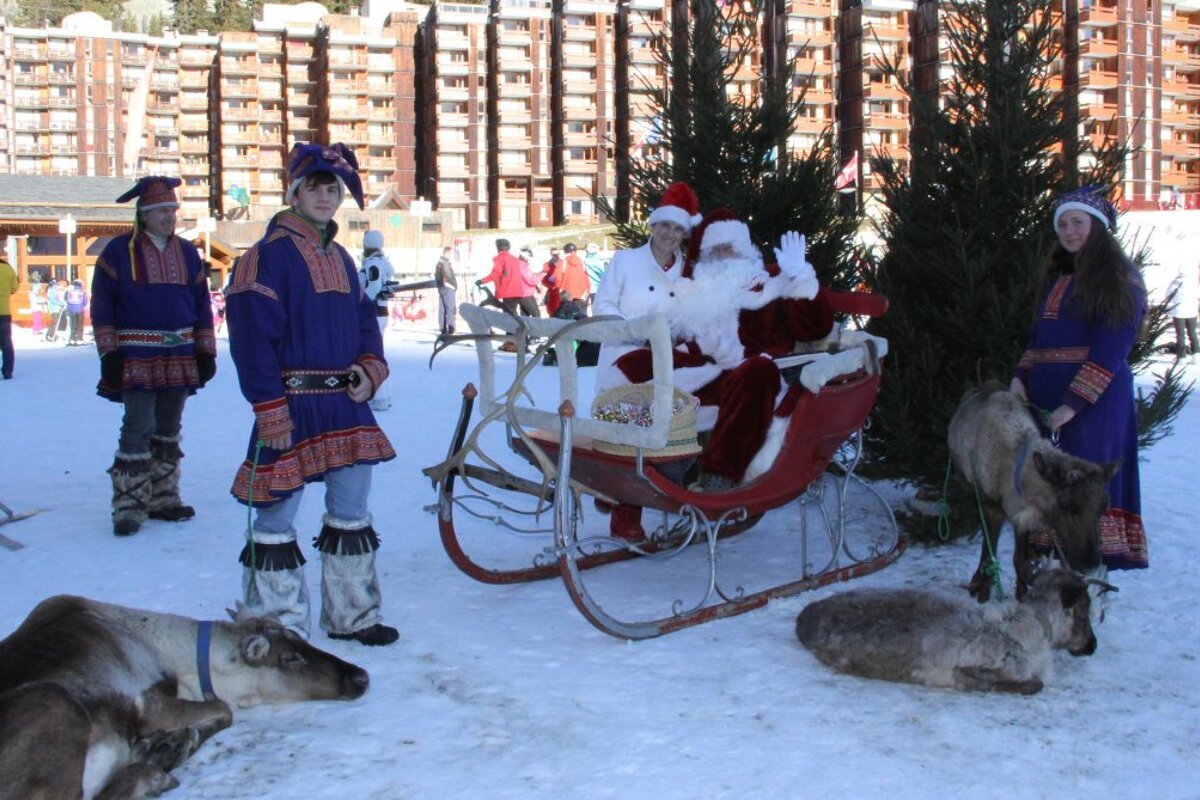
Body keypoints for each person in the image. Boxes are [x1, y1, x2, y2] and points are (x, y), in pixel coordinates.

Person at [225, 142, 399, 647]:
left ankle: (354, 616)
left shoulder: (343, 258)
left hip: (345, 403)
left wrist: (370, 370)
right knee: (276, 515)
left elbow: (367, 322)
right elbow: (252, 342)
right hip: (290, 405)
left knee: (351, 510)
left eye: (333, 189)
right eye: (316, 188)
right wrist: (270, 410)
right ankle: (275, 627)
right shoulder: (264, 259)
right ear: (295, 192)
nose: (326, 197)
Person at [615, 209, 828, 493]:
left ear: (746, 251)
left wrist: (800, 276)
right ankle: (645, 466)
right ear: (705, 256)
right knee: (634, 364)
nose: (725, 255)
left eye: (732, 248)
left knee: (756, 372)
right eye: (717, 249)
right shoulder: (698, 295)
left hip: (758, 374)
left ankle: (720, 476)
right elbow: (687, 343)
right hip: (710, 372)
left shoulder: (772, 287)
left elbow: (815, 329)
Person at [1009, 186, 1148, 575]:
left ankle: (1089, 575)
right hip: (1046, 401)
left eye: (1078, 223)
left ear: (1099, 227)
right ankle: (1052, 575)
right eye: (1063, 224)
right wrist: (1021, 376)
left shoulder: (1121, 278)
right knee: (1050, 482)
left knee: (1085, 484)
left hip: (1095, 404)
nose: (1069, 231)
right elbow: (1039, 338)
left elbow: (1111, 348)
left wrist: (1073, 404)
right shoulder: (1059, 276)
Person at [89, 176, 217, 535]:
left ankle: (163, 499)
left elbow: (201, 305)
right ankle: (129, 505)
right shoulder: (117, 252)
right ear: (143, 215)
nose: (169, 217)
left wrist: (205, 350)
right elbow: (102, 306)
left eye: (172, 210)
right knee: (138, 426)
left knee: (168, 428)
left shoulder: (189, 253)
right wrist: (109, 352)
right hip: (135, 355)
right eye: (161, 211)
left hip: (179, 353)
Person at [357, 229, 396, 412]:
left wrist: (361, 301)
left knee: (374, 354)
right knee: (377, 352)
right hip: (380, 312)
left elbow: (372, 288)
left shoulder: (372, 264)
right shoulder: (382, 262)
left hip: (373, 313)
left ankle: (378, 396)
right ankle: (382, 395)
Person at [477, 238, 540, 318]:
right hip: (520, 292)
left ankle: (513, 330)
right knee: (533, 315)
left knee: (510, 318)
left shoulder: (500, 259)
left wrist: (481, 281)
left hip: (508, 294)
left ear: (498, 247)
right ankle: (533, 329)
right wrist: (536, 286)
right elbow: (524, 276)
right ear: (509, 247)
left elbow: (495, 274)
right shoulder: (515, 260)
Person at [1164, 233, 1199, 364]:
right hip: (1192, 311)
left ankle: (1182, 356)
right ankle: (1196, 354)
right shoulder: (1193, 282)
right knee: (1192, 333)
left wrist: (1167, 308)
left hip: (1178, 312)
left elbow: (1168, 295)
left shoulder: (1175, 283)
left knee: (1180, 335)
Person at [0, 243, 16, 380]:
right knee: (6, 342)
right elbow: (14, 288)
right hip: (4, 312)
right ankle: (8, 371)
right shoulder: (8, 269)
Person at [434, 246, 458, 335]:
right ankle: (451, 327)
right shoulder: (445, 263)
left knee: (443, 309)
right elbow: (447, 276)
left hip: (442, 288)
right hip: (448, 288)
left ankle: (442, 327)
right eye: (451, 253)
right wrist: (453, 286)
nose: (451, 255)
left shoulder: (440, 263)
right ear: (447, 253)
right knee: (450, 308)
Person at [583, 242, 606, 308]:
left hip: (586, 288)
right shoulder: (598, 262)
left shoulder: (584, 261)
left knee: (584, 308)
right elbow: (603, 275)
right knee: (596, 308)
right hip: (596, 288)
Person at [65, 279, 88, 345]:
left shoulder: (70, 291)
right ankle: (79, 339)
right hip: (80, 309)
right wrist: (82, 305)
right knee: (80, 324)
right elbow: (85, 301)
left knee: (73, 324)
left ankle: (72, 338)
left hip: (72, 310)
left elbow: (68, 301)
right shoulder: (82, 291)